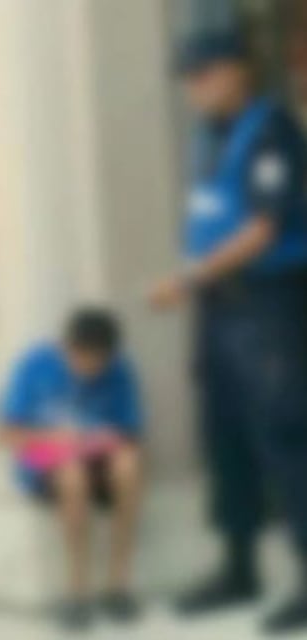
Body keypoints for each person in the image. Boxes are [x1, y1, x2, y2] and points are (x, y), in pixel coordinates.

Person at [149, 31, 307, 634]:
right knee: (227, 437)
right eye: (189, 80)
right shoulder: (210, 136)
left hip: (268, 304)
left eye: (204, 76)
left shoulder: (270, 131)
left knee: (286, 440)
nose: (194, 90)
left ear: (236, 71)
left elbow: (263, 229)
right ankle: (238, 567)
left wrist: (187, 281)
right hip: (222, 310)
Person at [0, 309, 143, 631]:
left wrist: (108, 439)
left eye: (100, 361)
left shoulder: (118, 369)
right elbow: (6, 434)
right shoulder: (36, 364)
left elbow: (130, 432)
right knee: (71, 471)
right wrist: (55, 438)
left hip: (97, 455)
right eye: (85, 358)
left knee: (129, 463)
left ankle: (117, 586)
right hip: (45, 457)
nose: (92, 368)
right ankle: (77, 591)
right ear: (68, 348)